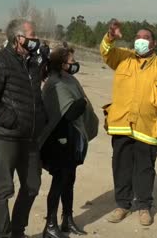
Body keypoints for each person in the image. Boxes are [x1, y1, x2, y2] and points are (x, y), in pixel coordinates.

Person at [99, 19, 157, 226]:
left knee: (145, 169)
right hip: (122, 124)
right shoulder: (123, 57)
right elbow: (106, 52)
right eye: (138, 37)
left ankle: (144, 207)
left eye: (146, 38)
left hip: (148, 127)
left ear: (153, 44)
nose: (141, 41)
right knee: (121, 167)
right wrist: (110, 36)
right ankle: (122, 205)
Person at [0, 19, 46, 238]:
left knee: (32, 185)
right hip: (7, 137)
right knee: (3, 188)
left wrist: (40, 120)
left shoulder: (33, 64)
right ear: (19, 38)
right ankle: (3, 234)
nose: (36, 39)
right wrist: (11, 120)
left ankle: (18, 231)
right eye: (32, 35)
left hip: (31, 138)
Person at [39, 46, 99, 238]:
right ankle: (50, 224)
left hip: (72, 139)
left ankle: (67, 220)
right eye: (72, 62)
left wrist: (82, 103)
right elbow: (70, 112)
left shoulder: (70, 79)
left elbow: (78, 108)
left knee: (69, 180)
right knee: (59, 181)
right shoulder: (54, 84)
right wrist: (82, 103)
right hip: (57, 140)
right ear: (61, 64)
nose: (75, 65)